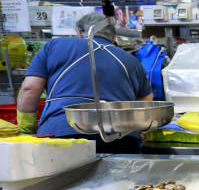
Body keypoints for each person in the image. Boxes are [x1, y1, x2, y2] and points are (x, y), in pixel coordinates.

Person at [16, 12, 153, 153]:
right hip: (122, 137)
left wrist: (25, 130)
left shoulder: (54, 46)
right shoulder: (132, 61)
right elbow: (146, 101)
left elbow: (29, 88)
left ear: (79, 33)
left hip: (63, 132)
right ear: (113, 38)